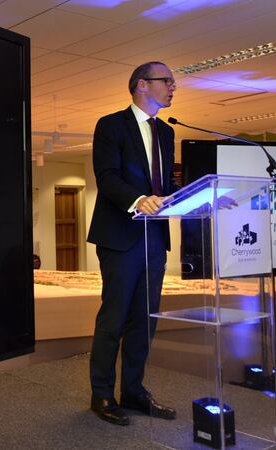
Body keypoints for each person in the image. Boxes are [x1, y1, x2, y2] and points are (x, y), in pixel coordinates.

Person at [86, 61, 179, 426]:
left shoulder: (167, 133)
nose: (173, 87)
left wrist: (195, 200)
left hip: (154, 238)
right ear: (142, 85)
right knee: (114, 318)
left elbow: (163, 188)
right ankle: (102, 394)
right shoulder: (111, 126)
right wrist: (138, 199)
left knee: (144, 320)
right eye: (166, 81)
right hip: (121, 237)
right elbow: (107, 177)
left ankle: (135, 391)